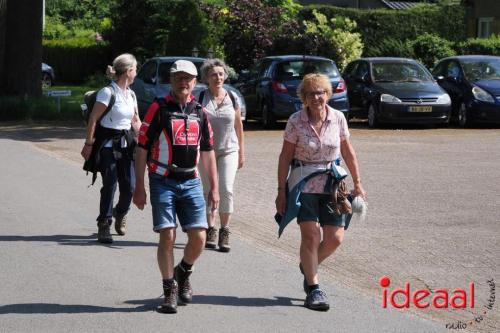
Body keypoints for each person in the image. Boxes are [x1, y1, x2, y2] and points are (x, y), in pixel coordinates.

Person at [133, 60, 219, 314]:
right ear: (171, 80)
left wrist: (213, 186)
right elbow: (141, 148)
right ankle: (169, 288)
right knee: (168, 235)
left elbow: (208, 151)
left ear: (195, 82)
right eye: (179, 78)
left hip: (191, 180)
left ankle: (184, 271)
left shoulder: (200, 112)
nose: (184, 82)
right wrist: (140, 186)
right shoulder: (158, 109)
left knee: (200, 237)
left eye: (188, 78)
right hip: (162, 179)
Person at [275, 73, 366, 311]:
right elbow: (285, 156)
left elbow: (348, 152)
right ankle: (314, 288)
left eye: (321, 92)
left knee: (335, 238)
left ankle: (308, 265)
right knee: (311, 236)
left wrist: (358, 182)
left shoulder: (338, 118)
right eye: (311, 93)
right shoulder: (296, 120)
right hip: (303, 183)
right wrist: (280, 191)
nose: (317, 97)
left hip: (333, 185)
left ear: (328, 94)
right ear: (304, 97)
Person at [81, 53, 141, 244]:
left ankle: (120, 212)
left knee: (130, 186)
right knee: (110, 183)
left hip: (127, 144)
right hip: (107, 144)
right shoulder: (108, 92)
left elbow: (135, 121)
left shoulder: (131, 94)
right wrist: (89, 144)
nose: (136, 73)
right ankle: (104, 223)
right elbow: (93, 119)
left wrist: (144, 141)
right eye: (135, 69)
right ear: (128, 71)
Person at [198, 58, 244, 252]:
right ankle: (210, 228)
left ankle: (224, 230)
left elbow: (238, 126)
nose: (218, 77)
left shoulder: (232, 97)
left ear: (225, 75)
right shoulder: (201, 98)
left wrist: (241, 151)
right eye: (213, 74)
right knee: (208, 190)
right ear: (206, 79)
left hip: (229, 150)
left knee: (226, 188)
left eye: (220, 74)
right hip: (206, 152)